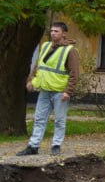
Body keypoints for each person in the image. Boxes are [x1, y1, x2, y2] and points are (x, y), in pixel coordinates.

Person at [17, 22, 80, 157]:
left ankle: (56, 146)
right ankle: (33, 146)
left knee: (59, 120)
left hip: (59, 92)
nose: (53, 33)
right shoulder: (45, 46)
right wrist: (32, 81)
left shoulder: (70, 51)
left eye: (56, 31)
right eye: (51, 31)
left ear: (64, 33)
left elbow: (74, 73)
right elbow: (39, 66)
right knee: (39, 119)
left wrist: (68, 91)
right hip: (44, 90)